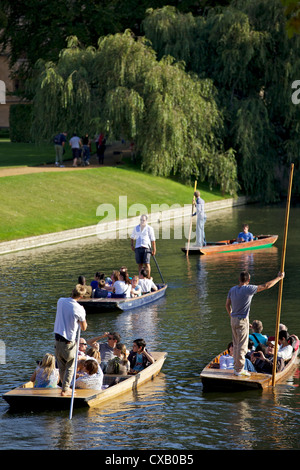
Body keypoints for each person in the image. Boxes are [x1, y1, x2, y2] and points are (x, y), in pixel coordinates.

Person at [225, 270, 285, 377]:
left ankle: (236, 367)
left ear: (239, 279)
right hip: (242, 319)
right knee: (242, 346)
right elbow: (266, 286)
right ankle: (239, 370)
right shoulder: (248, 289)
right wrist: (279, 278)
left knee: (236, 343)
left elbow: (227, 305)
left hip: (233, 320)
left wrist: (232, 316)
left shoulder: (232, 289)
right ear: (248, 280)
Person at [54, 284, 88, 396]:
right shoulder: (80, 309)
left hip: (57, 341)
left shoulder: (60, 301)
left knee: (61, 366)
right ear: (81, 297)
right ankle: (65, 390)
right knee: (70, 366)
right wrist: (81, 318)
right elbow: (84, 328)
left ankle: (65, 387)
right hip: (68, 342)